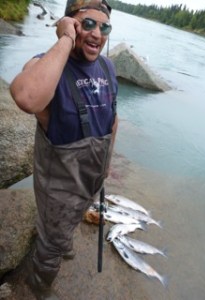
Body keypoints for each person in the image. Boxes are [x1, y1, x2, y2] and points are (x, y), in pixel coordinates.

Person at [10, 0, 118, 299]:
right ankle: (38, 284)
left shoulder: (108, 67)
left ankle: (61, 240)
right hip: (58, 184)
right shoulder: (47, 65)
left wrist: (106, 163)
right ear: (69, 22)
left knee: (71, 221)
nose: (97, 33)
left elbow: (113, 117)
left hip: (90, 177)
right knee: (50, 246)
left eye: (104, 26)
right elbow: (27, 97)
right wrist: (66, 39)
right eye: (87, 24)